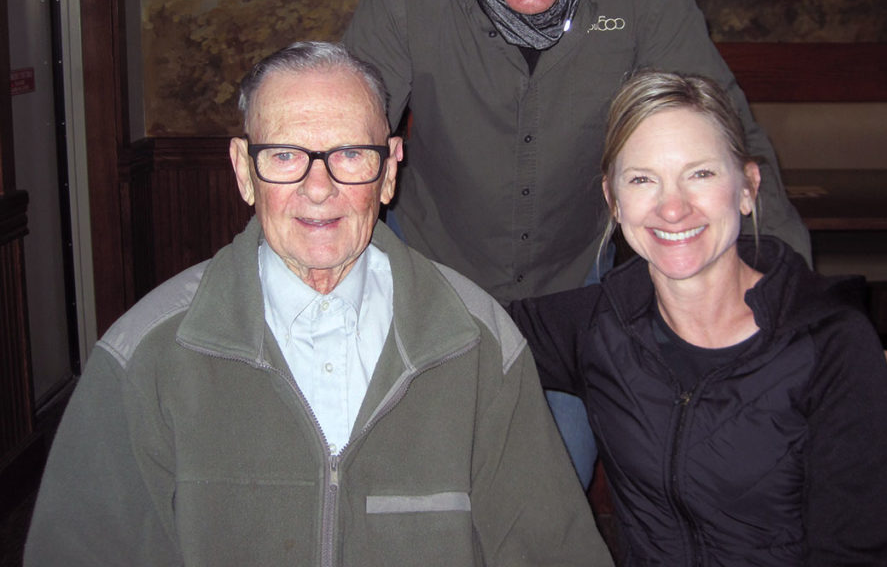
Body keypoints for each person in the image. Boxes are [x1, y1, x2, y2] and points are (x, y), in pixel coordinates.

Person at [342, 0, 887, 485]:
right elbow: (342, 142)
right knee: (412, 497)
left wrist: (815, 327)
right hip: (429, 284)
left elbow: (728, 138)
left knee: (552, 496)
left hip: (569, 298)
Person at [23, 41, 612, 567]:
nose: (319, 187)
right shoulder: (144, 355)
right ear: (243, 170)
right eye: (284, 155)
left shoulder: (479, 343)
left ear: (389, 169)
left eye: (350, 154)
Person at [509, 71, 887, 566]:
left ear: (747, 188)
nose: (672, 209)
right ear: (613, 200)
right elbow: (461, 323)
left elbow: (852, 555)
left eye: (701, 174)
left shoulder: (830, 345)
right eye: (642, 179)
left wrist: (860, 358)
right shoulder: (597, 325)